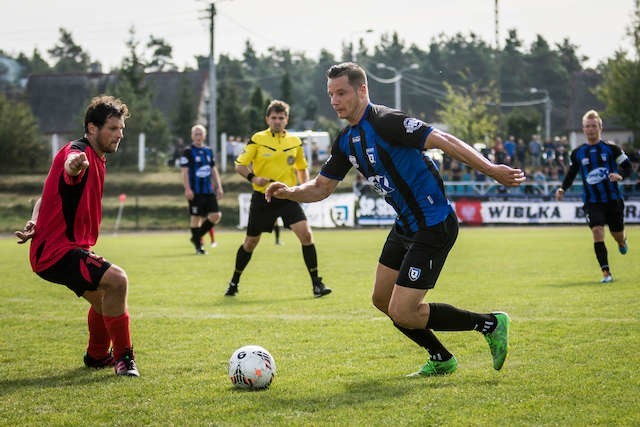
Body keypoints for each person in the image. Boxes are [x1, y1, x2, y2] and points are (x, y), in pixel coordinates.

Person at [266, 62, 525, 376]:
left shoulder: (388, 122)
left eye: (342, 93)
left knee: (403, 310)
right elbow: (321, 187)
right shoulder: (346, 140)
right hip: (405, 225)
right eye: (331, 94)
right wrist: (289, 191)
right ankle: (441, 358)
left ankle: (491, 323)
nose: (335, 100)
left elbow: (444, 140)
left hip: (433, 224)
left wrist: (491, 169)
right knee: (382, 300)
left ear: (362, 90)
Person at [14, 95, 139, 376]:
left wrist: (35, 220)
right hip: (58, 252)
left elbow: (45, 196)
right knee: (117, 281)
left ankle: (96, 356)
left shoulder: (97, 157)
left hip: (61, 249)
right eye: (112, 128)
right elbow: (72, 164)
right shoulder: (77, 153)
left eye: (121, 128)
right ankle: (124, 359)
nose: (119, 134)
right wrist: (74, 165)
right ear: (92, 128)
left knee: (105, 299)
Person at [226, 100, 331, 298]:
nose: (277, 121)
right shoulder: (257, 139)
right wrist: (253, 178)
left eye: (281, 118)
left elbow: (301, 168)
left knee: (306, 236)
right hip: (262, 198)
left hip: (288, 196)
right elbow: (240, 165)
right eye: (273, 117)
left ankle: (317, 284)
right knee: (250, 243)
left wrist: (303, 189)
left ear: (286, 119)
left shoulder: (295, 142)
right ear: (267, 119)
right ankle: (234, 282)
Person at [555, 110, 631, 283]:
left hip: (613, 200)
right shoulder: (577, 153)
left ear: (600, 127)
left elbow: (627, 167)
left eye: (593, 126)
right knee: (597, 231)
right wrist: (562, 188)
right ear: (583, 129)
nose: (590, 129)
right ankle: (606, 273)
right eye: (587, 126)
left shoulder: (612, 149)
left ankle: (622, 241)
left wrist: (620, 175)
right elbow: (572, 173)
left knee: (617, 235)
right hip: (592, 202)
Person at [180, 124, 223, 254]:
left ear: (205, 136)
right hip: (195, 191)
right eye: (196, 134)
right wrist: (187, 189)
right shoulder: (187, 152)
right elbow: (185, 172)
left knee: (216, 215)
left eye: (200, 134)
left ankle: (196, 237)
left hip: (208, 190)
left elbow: (213, 170)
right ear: (192, 136)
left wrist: (219, 186)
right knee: (196, 217)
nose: (198, 136)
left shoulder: (208, 151)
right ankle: (199, 247)